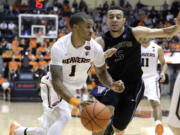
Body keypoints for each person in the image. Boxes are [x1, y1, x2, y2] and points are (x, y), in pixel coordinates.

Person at [9, 12, 125, 135]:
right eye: (87, 27)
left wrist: (112, 84)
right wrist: (77, 103)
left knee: (49, 129)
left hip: (73, 89)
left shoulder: (95, 47)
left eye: (92, 27)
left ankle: (17, 131)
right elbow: (57, 81)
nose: (91, 31)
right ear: (75, 27)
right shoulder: (60, 46)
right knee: (64, 117)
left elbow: (101, 72)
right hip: (53, 87)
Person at [91, 6, 180, 135]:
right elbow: (88, 61)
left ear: (124, 20)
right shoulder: (101, 41)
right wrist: (102, 56)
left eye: (118, 17)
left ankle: (112, 129)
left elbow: (167, 32)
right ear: (106, 20)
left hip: (133, 86)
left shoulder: (136, 32)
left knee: (118, 128)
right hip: (111, 83)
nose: (114, 19)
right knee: (101, 115)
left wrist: (178, 25)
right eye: (111, 17)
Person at [140, 38, 168, 135]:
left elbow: (164, 64)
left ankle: (158, 125)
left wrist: (163, 73)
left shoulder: (157, 48)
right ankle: (120, 128)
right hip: (137, 78)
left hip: (152, 78)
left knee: (155, 102)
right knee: (128, 103)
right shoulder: (135, 47)